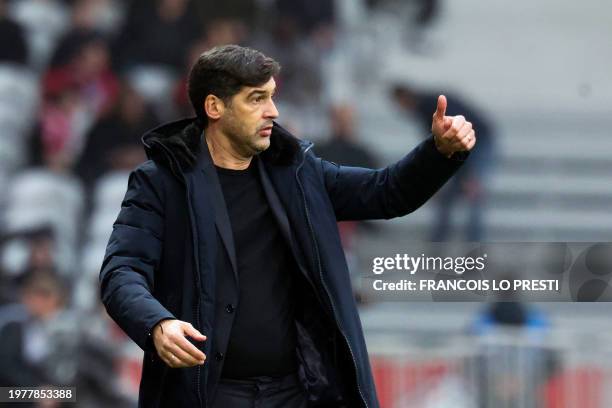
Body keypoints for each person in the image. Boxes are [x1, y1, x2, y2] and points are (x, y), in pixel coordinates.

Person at [99, 44, 476, 408]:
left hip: (296, 392)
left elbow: (386, 193)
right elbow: (122, 272)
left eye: (272, 96)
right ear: (214, 106)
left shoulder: (297, 171)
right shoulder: (162, 182)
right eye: (256, 99)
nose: (273, 112)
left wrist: (439, 152)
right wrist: (158, 323)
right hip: (207, 394)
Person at [392, 83, 495, 241]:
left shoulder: (429, 108)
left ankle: (473, 245)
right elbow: (436, 146)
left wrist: (469, 176)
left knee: (474, 194)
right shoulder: (425, 109)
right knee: (448, 197)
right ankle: (439, 243)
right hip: (464, 144)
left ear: (404, 98)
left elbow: (454, 139)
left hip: (478, 142)